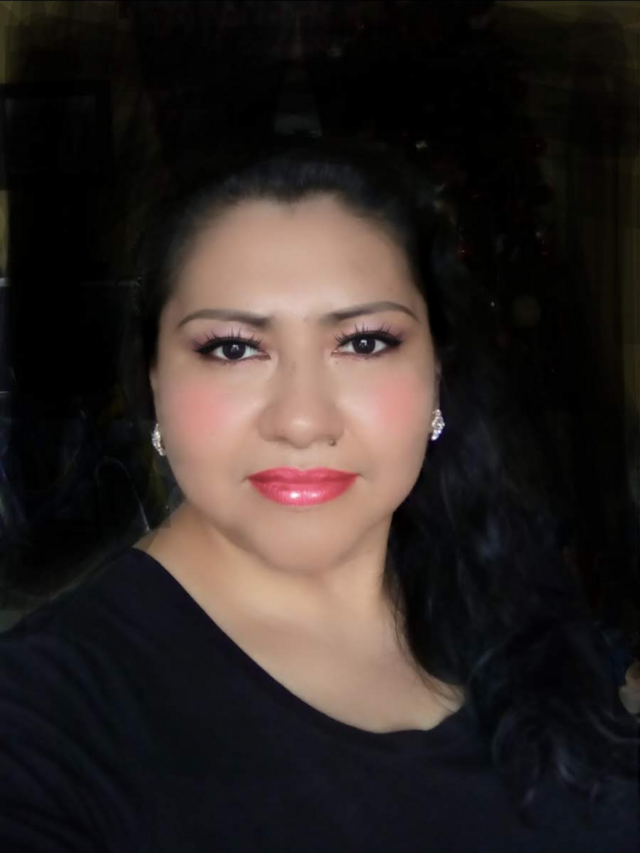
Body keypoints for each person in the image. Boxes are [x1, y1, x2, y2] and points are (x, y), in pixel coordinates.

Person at [0, 138, 637, 852]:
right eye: (234, 348)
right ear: (154, 381)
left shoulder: (510, 595)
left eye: (363, 343)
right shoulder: (39, 719)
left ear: (438, 372)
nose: (302, 421)